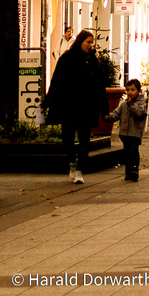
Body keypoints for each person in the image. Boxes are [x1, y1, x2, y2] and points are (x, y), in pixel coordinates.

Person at [41, 30, 108, 184]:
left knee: (85, 139)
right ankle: (72, 162)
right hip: (69, 105)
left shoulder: (94, 61)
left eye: (92, 43)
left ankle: (80, 169)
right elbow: (56, 82)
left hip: (86, 106)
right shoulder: (67, 58)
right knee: (68, 138)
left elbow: (99, 87)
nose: (90, 46)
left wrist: (104, 110)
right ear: (80, 42)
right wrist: (46, 103)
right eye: (88, 42)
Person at [106, 78, 147, 181]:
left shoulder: (141, 103)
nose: (130, 93)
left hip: (135, 133)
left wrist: (131, 105)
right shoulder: (124, 104)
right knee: (127, 152)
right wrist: (108, 117)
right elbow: (116, 114)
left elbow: (138, 113)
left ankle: (134, 168)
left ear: (139, 90)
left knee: (133, 150)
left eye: (132, 90)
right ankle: (128, 170)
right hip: (124, 133)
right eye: (128, 90)